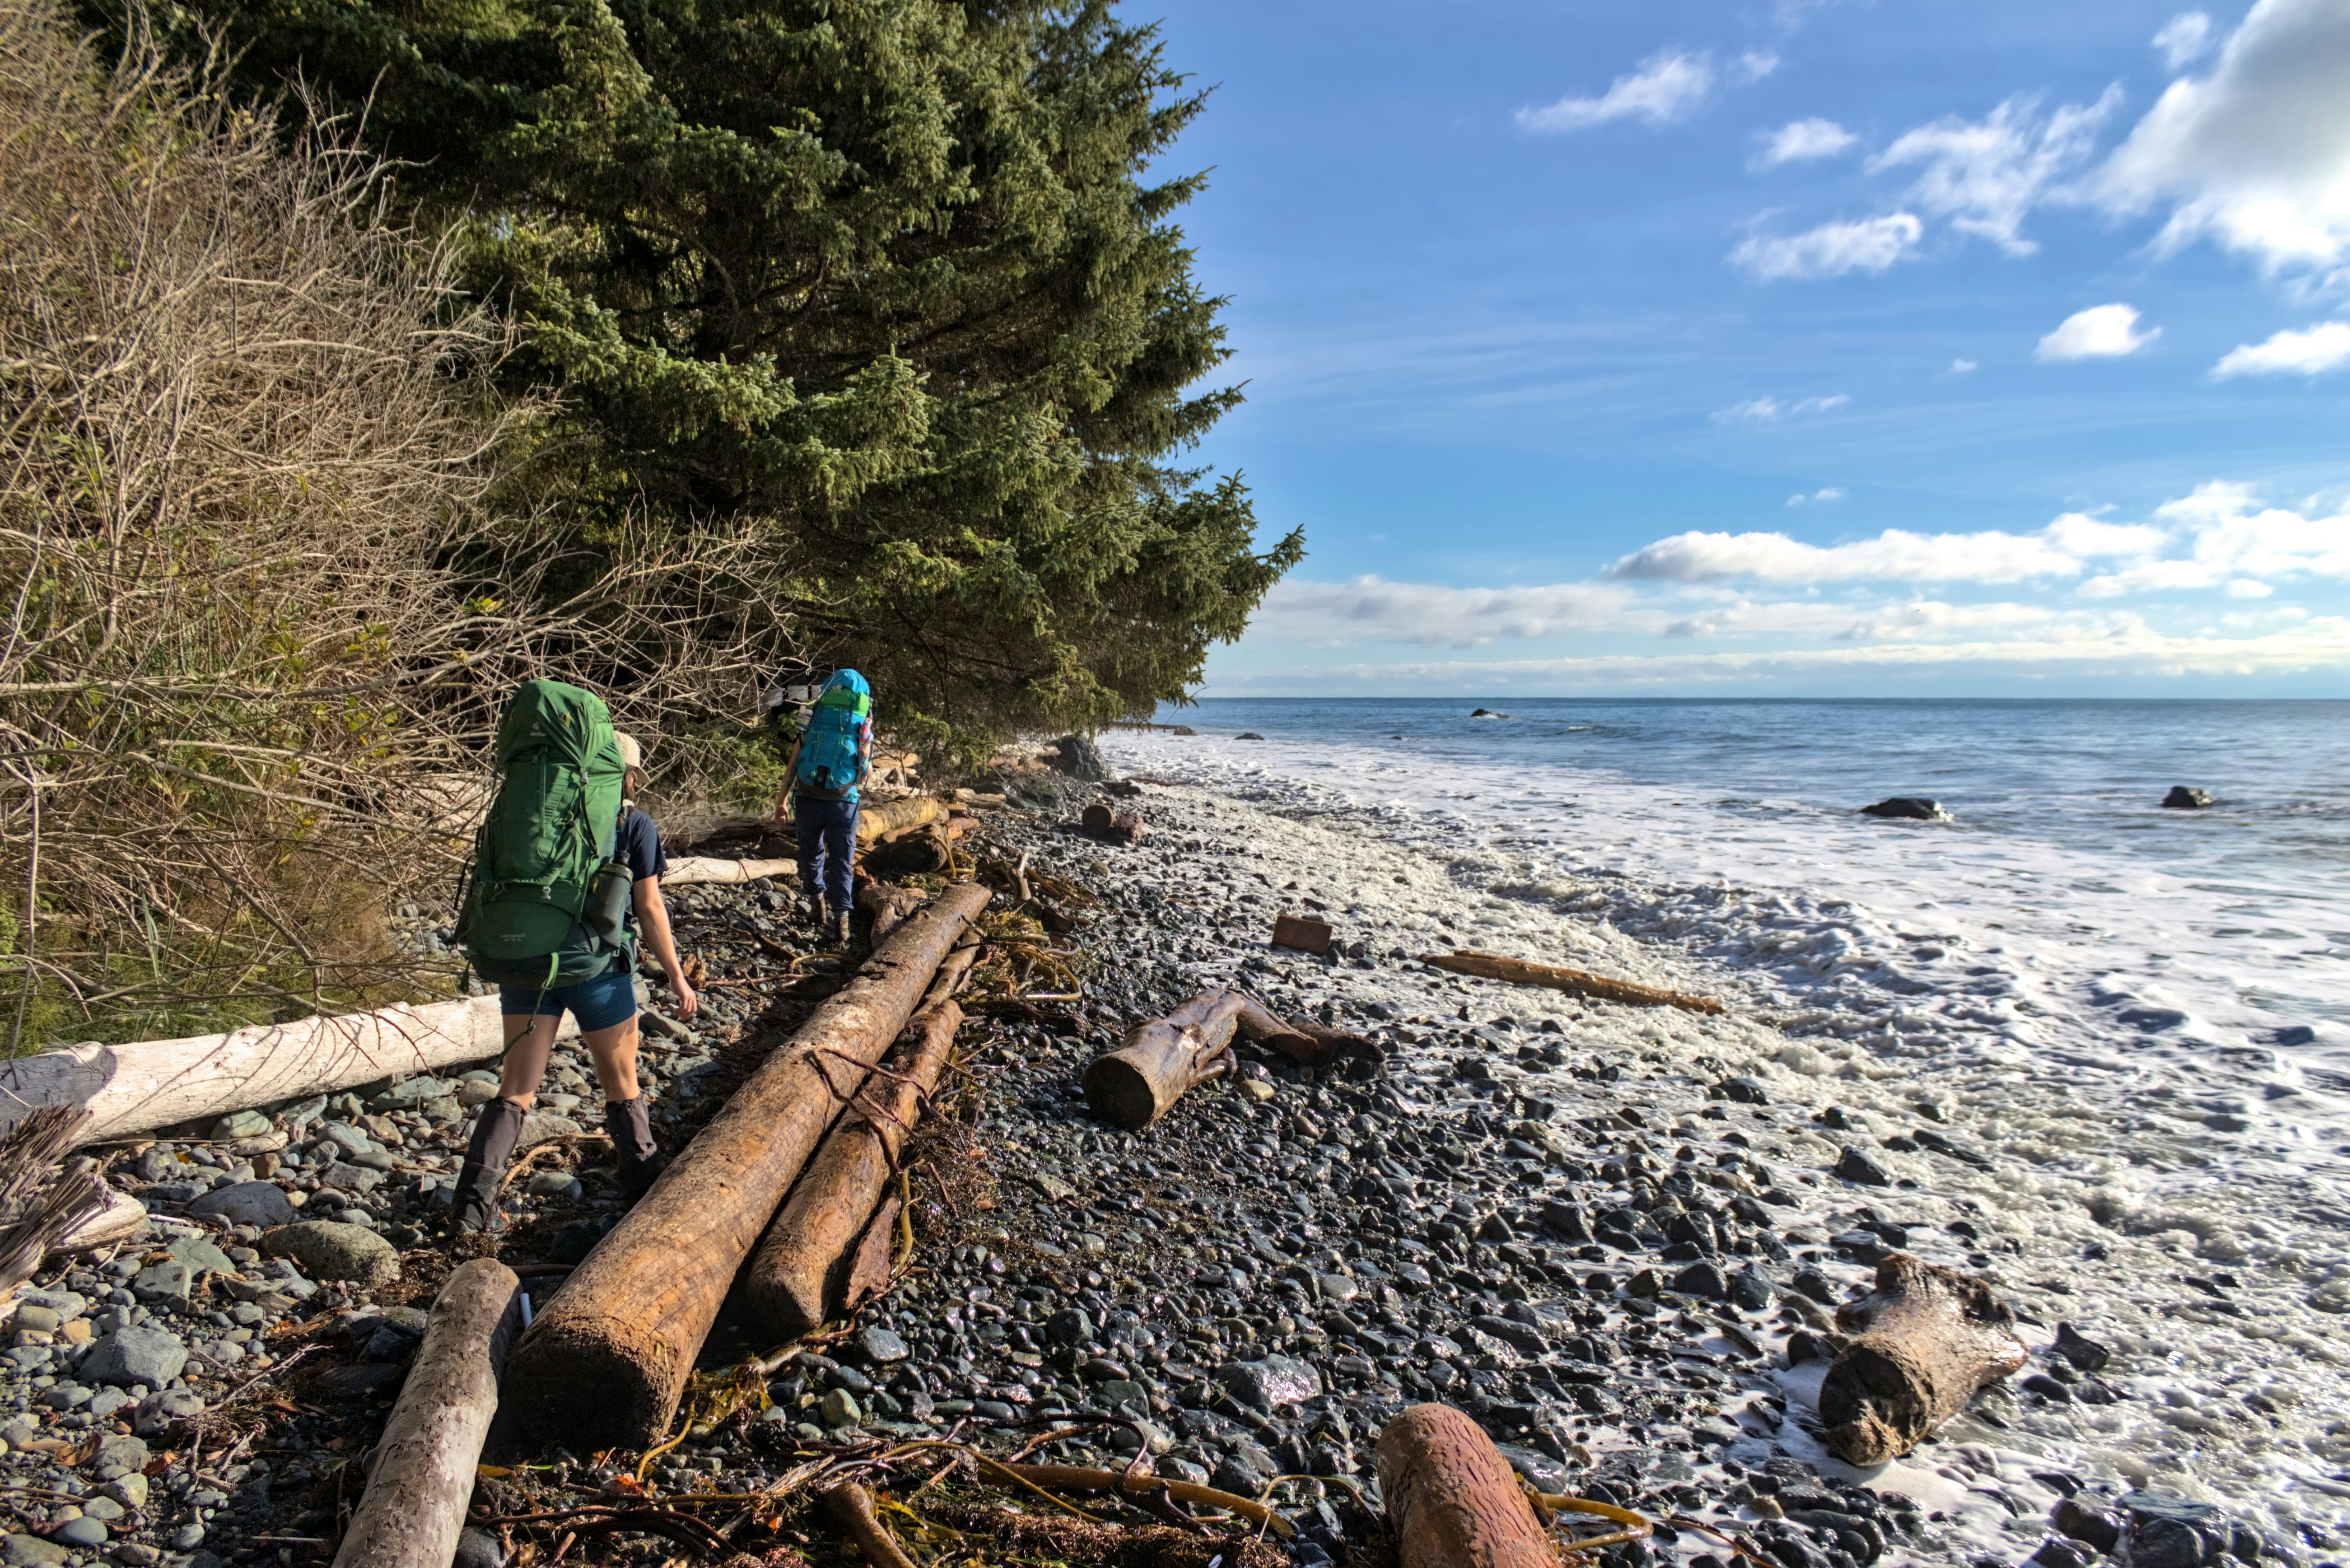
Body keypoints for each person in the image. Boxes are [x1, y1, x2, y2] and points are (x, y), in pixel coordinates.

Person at [451, 731, 699, 1234]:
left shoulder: (527, 815)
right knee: (622, 1085)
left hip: (526, 961)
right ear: (627, 774)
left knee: (517, 1089)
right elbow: (649, 908)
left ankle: (468, 1212)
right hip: (595, 971)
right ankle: (643, 1198)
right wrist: (676, 974)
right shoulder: (633, 822)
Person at [775, 669, 873, 946]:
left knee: (811, 853)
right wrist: (864, 755)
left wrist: (781, 802)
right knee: (843, 863)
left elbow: (793, 765)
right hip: (843, 804)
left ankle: (817, 905)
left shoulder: (811, 726)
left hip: (807, 799)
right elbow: (864, 775)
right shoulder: (861, 730)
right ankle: (841, 925)